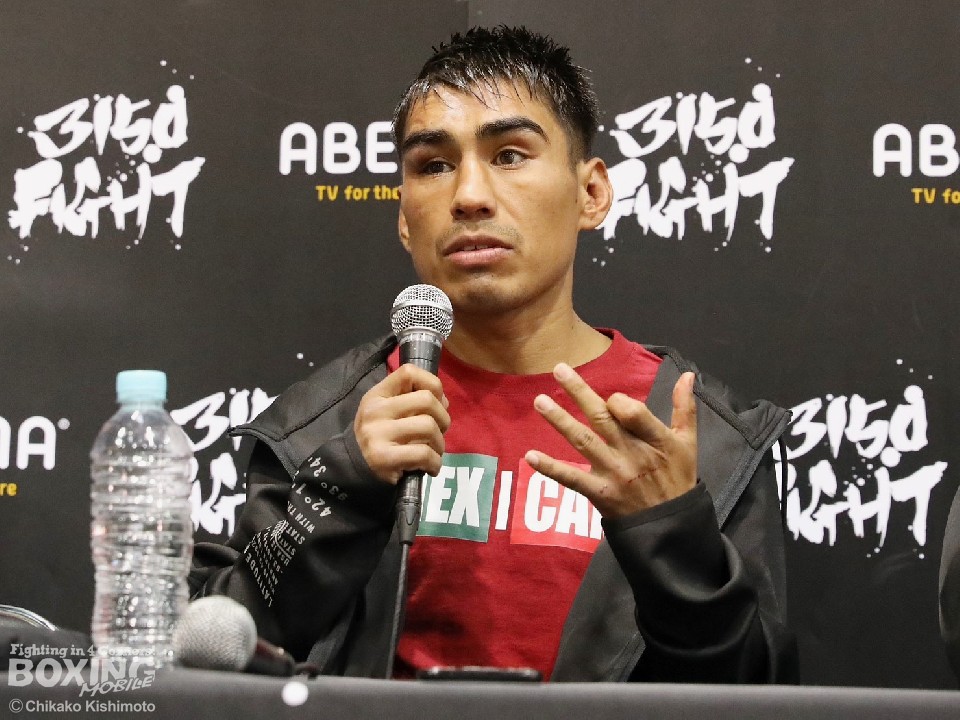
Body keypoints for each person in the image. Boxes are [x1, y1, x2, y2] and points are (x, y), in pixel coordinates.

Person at [189, 25, 795, 683]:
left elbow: (760, 690)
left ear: (591, 193)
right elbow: (213, 649)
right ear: (404, 216)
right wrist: (344, 491)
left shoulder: (698, 435)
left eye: (509, 155)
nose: (470, 196)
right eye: (434, 165)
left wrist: (671, 534)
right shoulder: (321, 428)